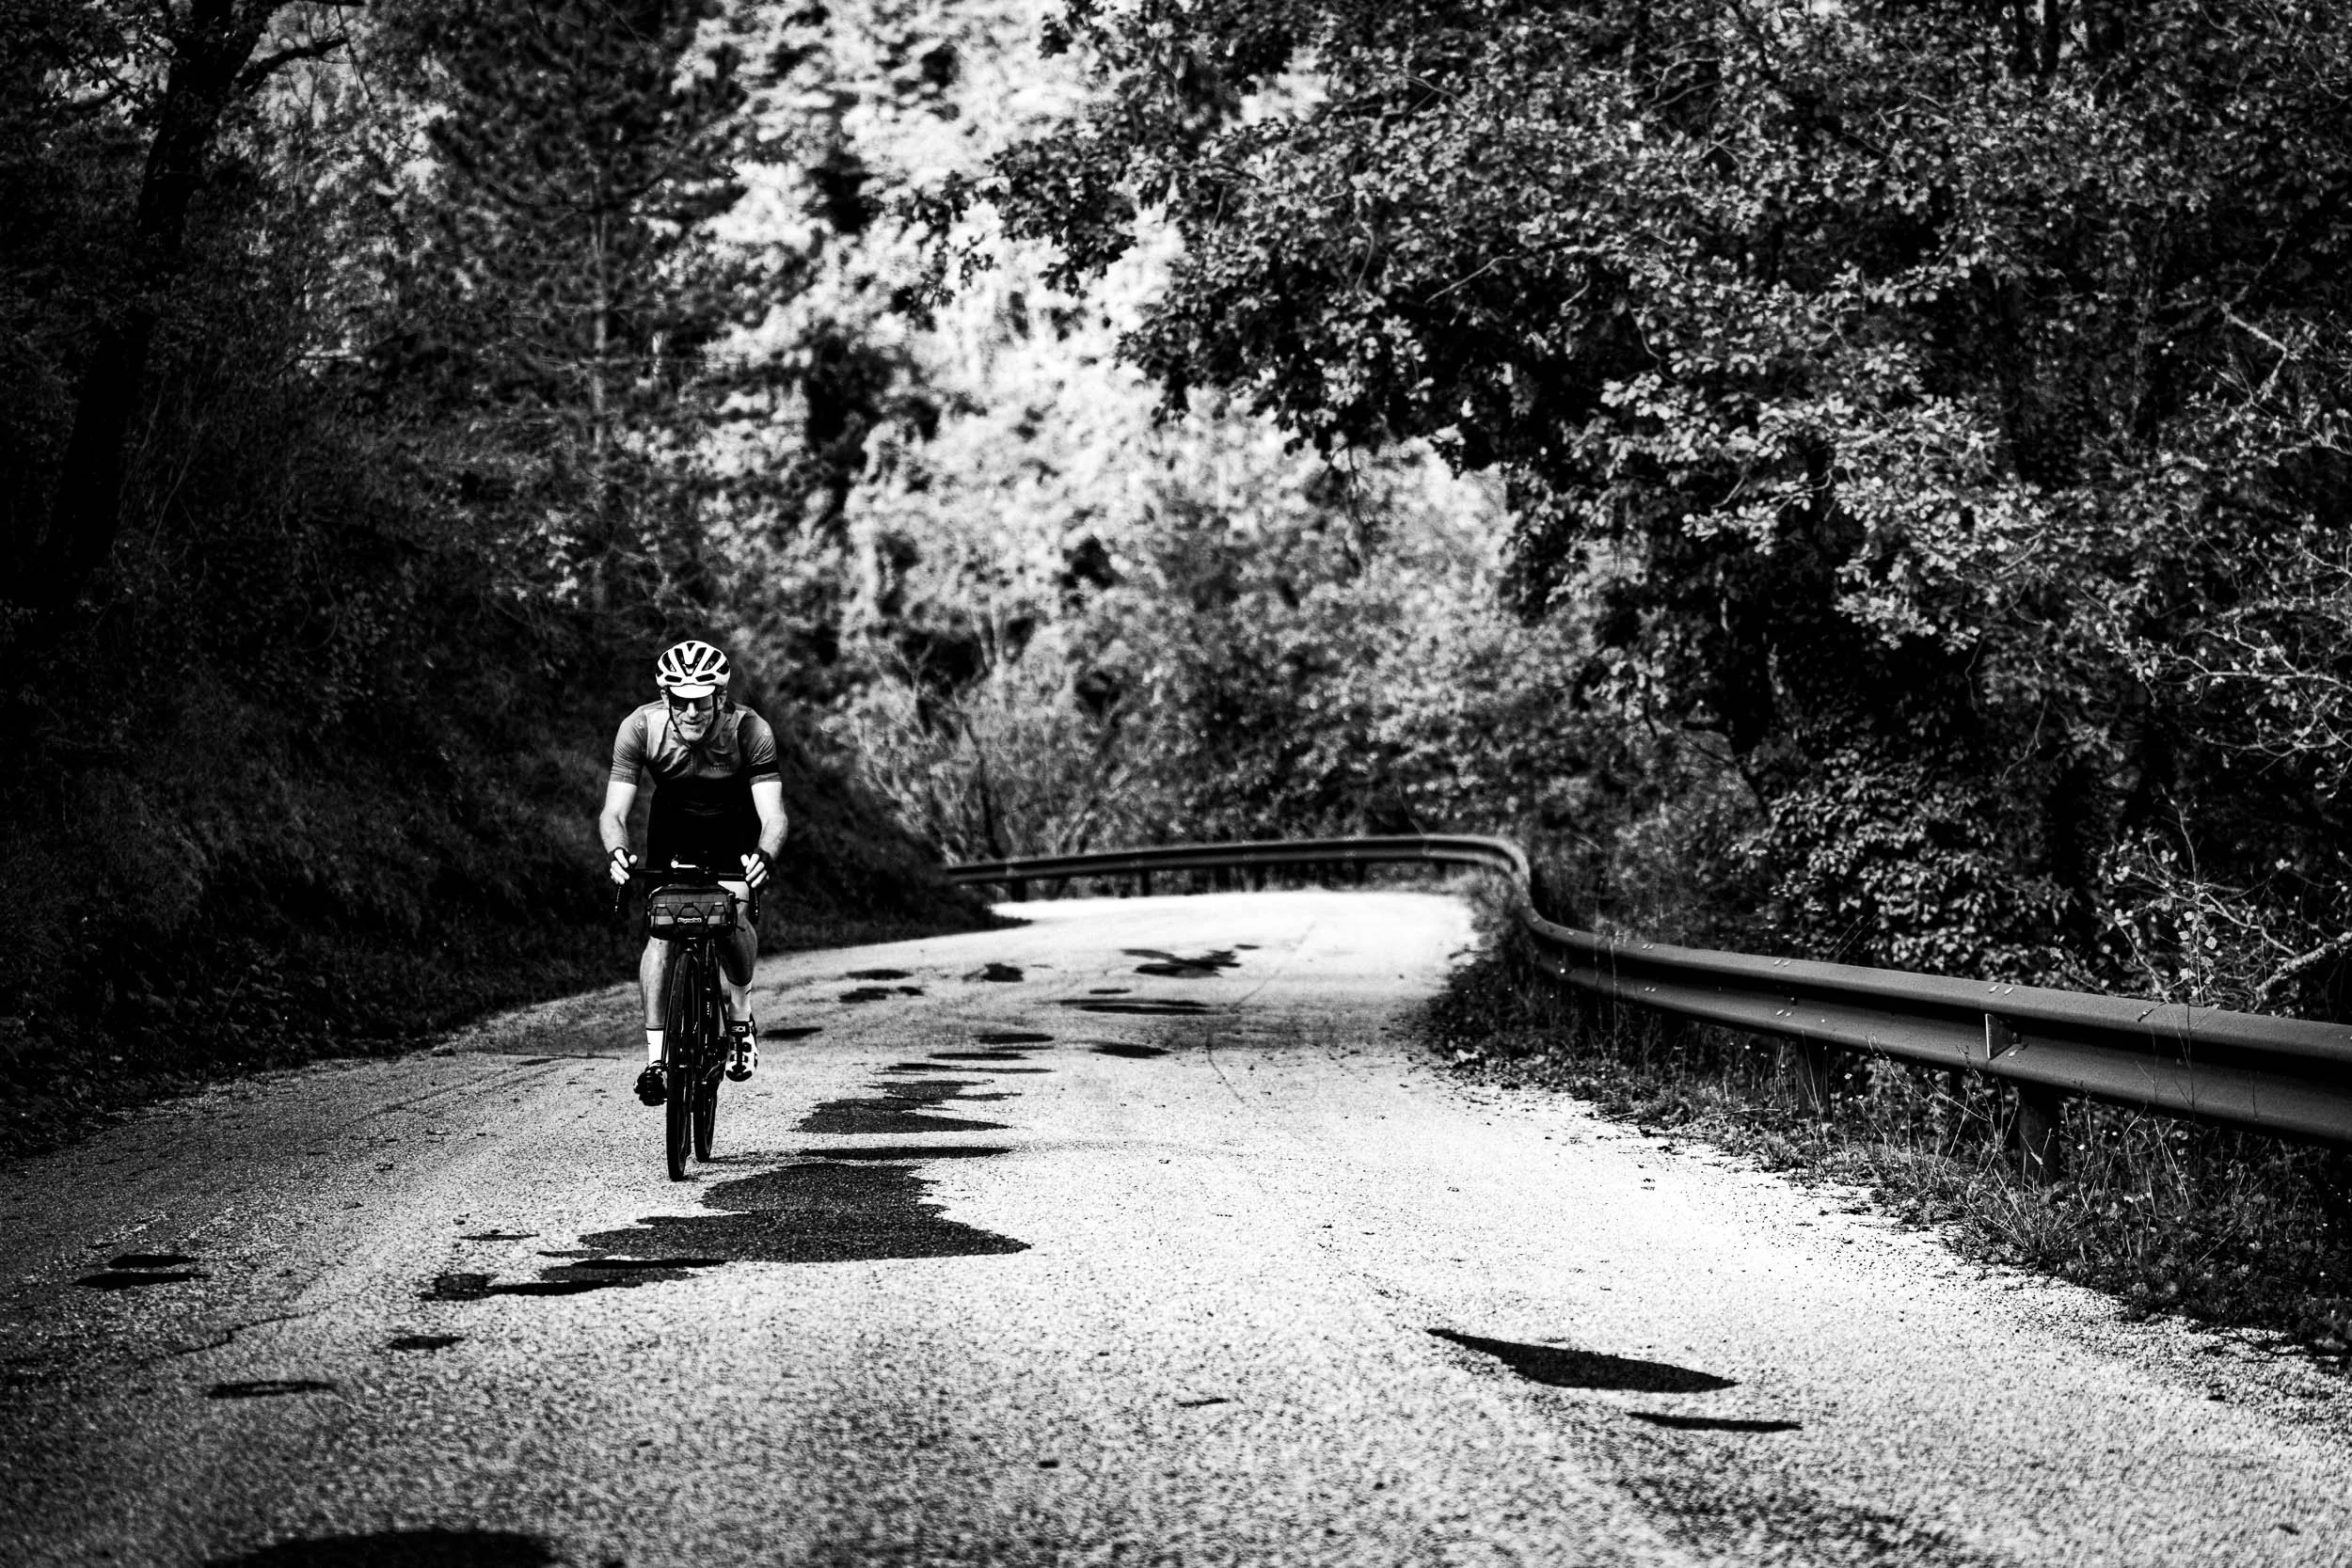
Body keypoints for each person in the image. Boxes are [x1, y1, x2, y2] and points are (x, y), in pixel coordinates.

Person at [598, 639, 787, 1107]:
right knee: (663, 932)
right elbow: (613, 814)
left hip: (733, 824)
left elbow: (774, 816)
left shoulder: (750, 730)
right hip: (673, 823)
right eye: (678, 701)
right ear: (665, 699)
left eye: (700, 701)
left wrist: (763, 856)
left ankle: (741, 1018)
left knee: (729, 919)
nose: (690, 711)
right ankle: (657, 1059)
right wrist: (618, 852)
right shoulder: (639, 728)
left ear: (719, 698)